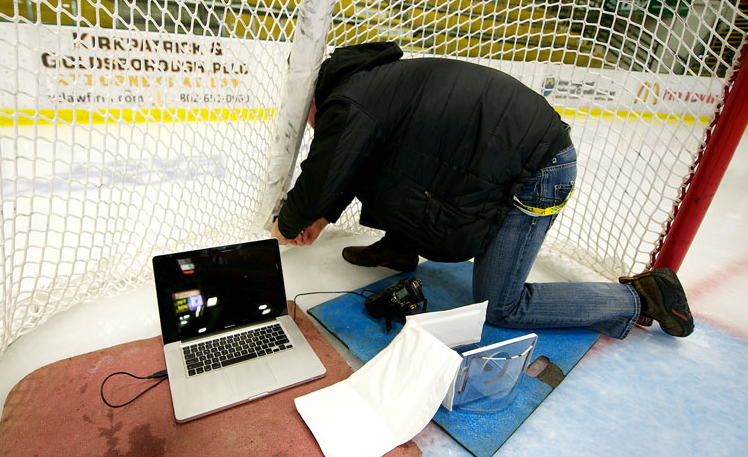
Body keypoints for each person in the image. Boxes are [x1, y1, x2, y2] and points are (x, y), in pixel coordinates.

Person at [270, 42, 693, 339]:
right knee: (390, 166)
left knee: (500, 306)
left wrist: (286, 223)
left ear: (311, 97)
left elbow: (325, 172)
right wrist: (325, 216)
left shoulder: (348, 103)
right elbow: (355, 162)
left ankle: (639, 297)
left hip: (538, 171)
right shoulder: (369, 84)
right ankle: (399, 247)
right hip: (507, 154)